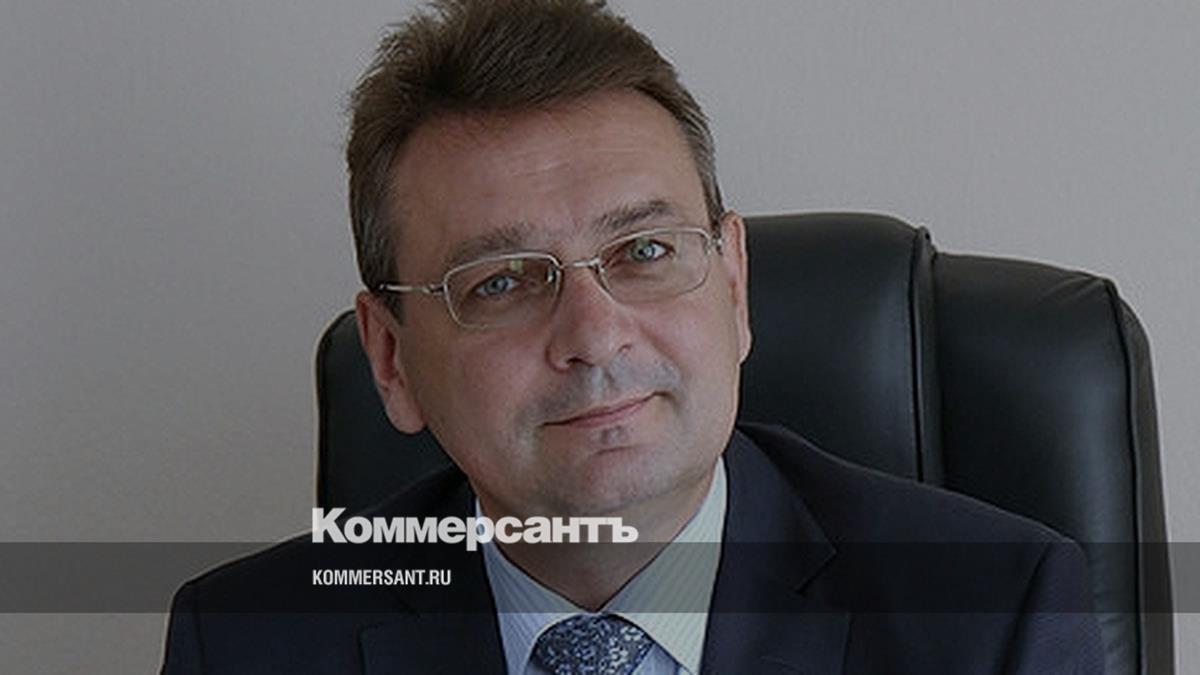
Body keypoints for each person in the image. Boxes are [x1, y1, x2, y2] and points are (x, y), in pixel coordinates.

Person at [162, 1, 1104, 672]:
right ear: (391, 359)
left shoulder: (992, 617)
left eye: (644, 250)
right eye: (501, 281)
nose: (595, 334)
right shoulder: (245, 641)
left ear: (733, 284)